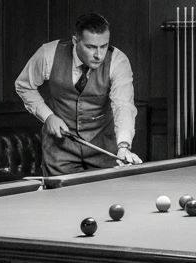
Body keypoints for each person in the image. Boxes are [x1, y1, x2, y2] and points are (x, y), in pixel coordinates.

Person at [15, 13, 141, 176]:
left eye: (104, 46)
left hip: (103, 149)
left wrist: (124, 145)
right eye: (91, 47)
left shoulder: (118, 61)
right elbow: (24, 86)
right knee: (60, 193)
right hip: (60, 151)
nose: (99, 55)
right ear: (75, 41)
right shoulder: (48, 53)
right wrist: (48, 116)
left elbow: (123, 105)